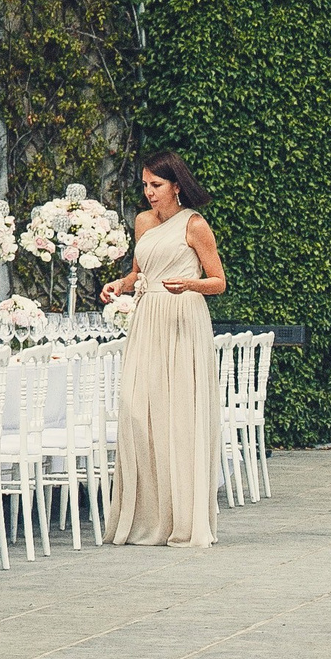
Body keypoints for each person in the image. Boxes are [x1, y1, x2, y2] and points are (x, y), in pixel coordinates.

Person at [100, 150, 226, 548]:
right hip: (147, 317)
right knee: (140, 410)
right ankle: (147, 516)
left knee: (179, 415)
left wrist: (190, 285)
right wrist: (120, 285)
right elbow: (141, 273)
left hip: (182, 318)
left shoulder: (195, 225)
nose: (149, 193)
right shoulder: (142, 222)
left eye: (156, 185)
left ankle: (184, 519)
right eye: (145, 185)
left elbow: (218, 281)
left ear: (176, 185)